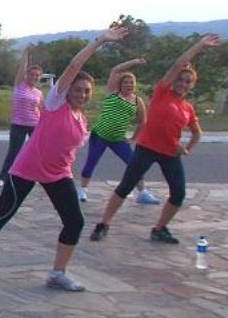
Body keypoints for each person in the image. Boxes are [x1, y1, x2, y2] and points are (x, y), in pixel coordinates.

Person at [0, 27, 129, 291]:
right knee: (1, 215)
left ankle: (58, 273)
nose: (83, 94)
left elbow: (66, 151)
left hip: (58, 174)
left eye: (87, 91)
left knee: (75, 221)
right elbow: (74, 65)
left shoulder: (81, 118)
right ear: (67, 89)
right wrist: (99, 42)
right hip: (27, 169)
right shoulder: (55, 102)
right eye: (78, 89)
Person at [90, 34, 218, 244]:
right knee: (125, 186)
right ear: (173, 80)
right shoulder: (162, 92)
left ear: (191, 85)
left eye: (188, 82)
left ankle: (160, 228)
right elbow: (178, 64)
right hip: (147, 148)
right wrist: (199, 46)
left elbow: (197, 132)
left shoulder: (187, 108)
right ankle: (103, 224)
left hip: (170, 153)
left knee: (178, 193)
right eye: (180, 79)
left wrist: (187, 148)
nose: (183, 83)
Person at [77, 58, 160, 204]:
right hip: (100, 135)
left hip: (118, 139)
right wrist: (133, 62)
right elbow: (115, 70)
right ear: (120, 84)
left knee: (134, 164)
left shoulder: (137, 101)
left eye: (131, 83)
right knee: (91, 161)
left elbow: (143, 122)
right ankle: (82, 190)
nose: (128, 85)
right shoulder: (112, 93)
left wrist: (134, 139)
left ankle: (142, 193)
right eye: (125, 82)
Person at [0, 44, 43, 188]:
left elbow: (41, 110)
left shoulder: (39, 93)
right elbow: (22, 67)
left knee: (36, 151)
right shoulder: (20, 85)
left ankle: (35, 176)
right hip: (18, 124)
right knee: (13, 152)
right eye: (32, 74)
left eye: (37, 75)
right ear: (27, 75)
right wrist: (26, 52)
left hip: (34, 124)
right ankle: (3, 178)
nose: (34, 77)